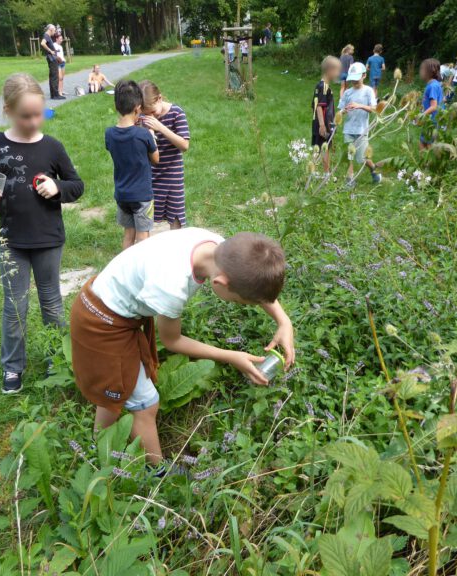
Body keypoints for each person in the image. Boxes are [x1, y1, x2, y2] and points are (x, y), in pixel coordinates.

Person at [69, 228, 295, 469]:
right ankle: (157, 473)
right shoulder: (171, 284)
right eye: (238, 302)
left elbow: (254, 279)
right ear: (220, 283)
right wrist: (231, 356)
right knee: (146, 404)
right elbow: (172, 341)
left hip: (103, 301)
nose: (238, 305)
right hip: (102, 323)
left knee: (116, 389)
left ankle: (97, 445)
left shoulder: (221, 248)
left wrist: (284, 321)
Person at [0, 73, 84, 394]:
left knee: (52, 304)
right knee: (15, 307)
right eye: (25, 116)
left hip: (48, 240)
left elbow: (77, 186)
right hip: (11, 241)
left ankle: (57, 360)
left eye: (38, 114)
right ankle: (12, 367)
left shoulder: (52, 147)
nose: (33, 122)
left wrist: (57, 187)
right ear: (8, 111)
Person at [105, 80, 159, 250]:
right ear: (137, 108)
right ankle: (142, 265)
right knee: (143, 236)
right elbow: (156, 159)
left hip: (122, 194)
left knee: (128, 234)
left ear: (116, 106)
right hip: (142, 196)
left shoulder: (109, 134)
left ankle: (126, 264)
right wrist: (151, 134)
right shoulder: (143, 134)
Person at [138, 80, 191, 230]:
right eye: (145, 114)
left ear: (159, 99)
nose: (150, 117)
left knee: (175, 214)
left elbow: (184, 145)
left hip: (173, 174)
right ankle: (145, 241)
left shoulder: (176, 113)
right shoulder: (141, 117)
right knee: (145, 214)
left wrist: (160, 127)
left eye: (153, 112)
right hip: (150, 174)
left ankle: (176, 242)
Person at [338, 62, 382, 188]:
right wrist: (344, 111)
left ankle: (374, 171)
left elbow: (374, 109)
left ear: (364, 75)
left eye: (357, 79)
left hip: (362, 130)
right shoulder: (347, 92)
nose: (354, 82)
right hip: (348, 130)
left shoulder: (368, 91)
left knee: (362, 158)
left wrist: (359, 106)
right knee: (349, 156)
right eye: (352, 80)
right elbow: (340, 110)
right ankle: (350, 180)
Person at [312, 55, 342, 176]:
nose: (338, 74)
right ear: (330, 70)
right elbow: (319, 106)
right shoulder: (324, 87)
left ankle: (318, 172)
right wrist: (322, 125)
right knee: (323, 148)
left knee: (320, 147)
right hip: (322, 124)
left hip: (320, 123)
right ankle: (323, 173)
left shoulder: (321, 85)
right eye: (337, 71)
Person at [419, 58, 444, 151]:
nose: (420, 71)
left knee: (428, 144)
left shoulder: (433, 86)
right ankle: (425, 160)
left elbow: (434, 106)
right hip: (431, 120)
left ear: (429, 71)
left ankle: (429, 160)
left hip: (432, 121)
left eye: (422, 69)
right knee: (424, 142)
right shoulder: (433, 84)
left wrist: (421, 115)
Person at [40, 24, 64, 100]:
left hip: (52, 58)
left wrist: (54, 51)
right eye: (54, 30)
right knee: (55, 77)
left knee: (52, 77)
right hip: (52, 59)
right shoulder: (46, 35)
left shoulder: (47, 36)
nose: (55, 31)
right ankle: (56, 95)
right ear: (50, 29)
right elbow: (42, 43)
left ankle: (53, 95)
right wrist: (50, 51)